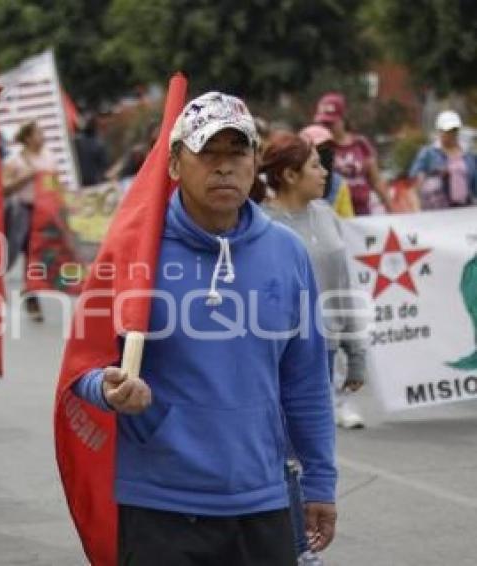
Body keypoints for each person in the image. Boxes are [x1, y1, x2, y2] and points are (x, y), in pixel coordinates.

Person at [72, 92, 338, 565]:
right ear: (175, 164)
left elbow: (306, 380)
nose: (223, 167)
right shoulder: (135, 252)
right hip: (160, 503)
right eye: (207, 152)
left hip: (264, 499)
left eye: (237, 152)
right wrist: (106, 389)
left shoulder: (287, 252)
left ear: (255, 161)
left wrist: (319, 480)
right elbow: (84, 363)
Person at [258, 132, 368, 563]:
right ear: (288, 174)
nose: (325, 173)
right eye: (315, 166)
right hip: (280, 353)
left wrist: (354, 349)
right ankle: (297, 547)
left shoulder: (326, 216)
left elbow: (344, 286)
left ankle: (297, 538)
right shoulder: (259, 224)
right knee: (283, 455)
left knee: (309, 453)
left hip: (323, 350)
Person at [1, 121, 57, 322]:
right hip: (23, 210)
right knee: (21, 251)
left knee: (39, 253)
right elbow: (3, 188)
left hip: (45, 210)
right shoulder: (15, 160)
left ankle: (32, 291)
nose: (43, 136)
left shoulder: (48, 155)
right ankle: (27, 292)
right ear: (27, 138)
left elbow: (54, 182)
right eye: (38, 133)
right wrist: (26, 177)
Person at [314, 92, 392, 215]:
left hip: (362, 213)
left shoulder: (360, 144)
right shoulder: (318, 147)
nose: (326, 127)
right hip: (333, 212)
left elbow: (376, 180)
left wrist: (391, 208)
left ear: (342, 119)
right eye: (323, 123)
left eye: (330, 123)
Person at [408, 110, 477, 210]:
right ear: (440, 131)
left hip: (466, 206)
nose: (451, 134)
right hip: (438, 208)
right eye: (447, 131)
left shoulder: (469, 155)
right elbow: (415, 183)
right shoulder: (428, 153)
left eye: (454, 130)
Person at [300, 124, 355, 218]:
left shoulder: (339, 184)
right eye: (320, 148)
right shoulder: (293, 184)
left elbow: (347, 222)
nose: (328, 153)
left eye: (329, 147)